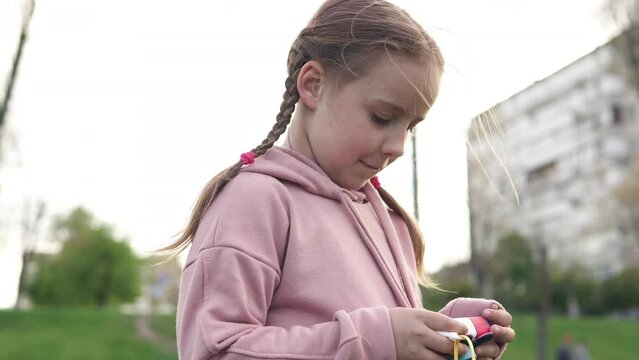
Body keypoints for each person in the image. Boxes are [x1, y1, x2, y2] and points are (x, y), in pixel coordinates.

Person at [164, 1, 515, 359]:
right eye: (381, 117)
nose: (397, 147)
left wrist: (448, 333)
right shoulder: (254, 201)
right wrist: (378, 339)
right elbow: (214, 350)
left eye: (410, 127)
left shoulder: (390, 220)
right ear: (313, 85)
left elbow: (373, 339)